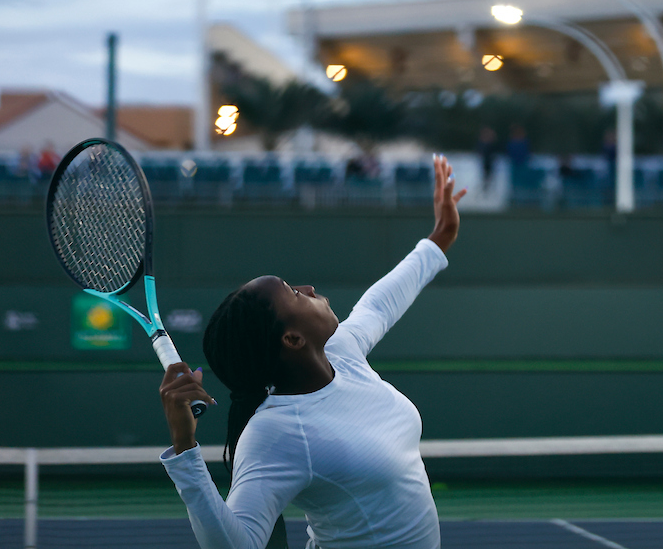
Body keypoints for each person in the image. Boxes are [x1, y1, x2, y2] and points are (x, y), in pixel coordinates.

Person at [158, 154, 466, 549]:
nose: (308, 288)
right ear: (292, 340)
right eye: (293, 292)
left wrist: (439, 238)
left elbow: (378, 305)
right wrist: (185, 448)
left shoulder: (341, 352)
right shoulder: (275, 432)